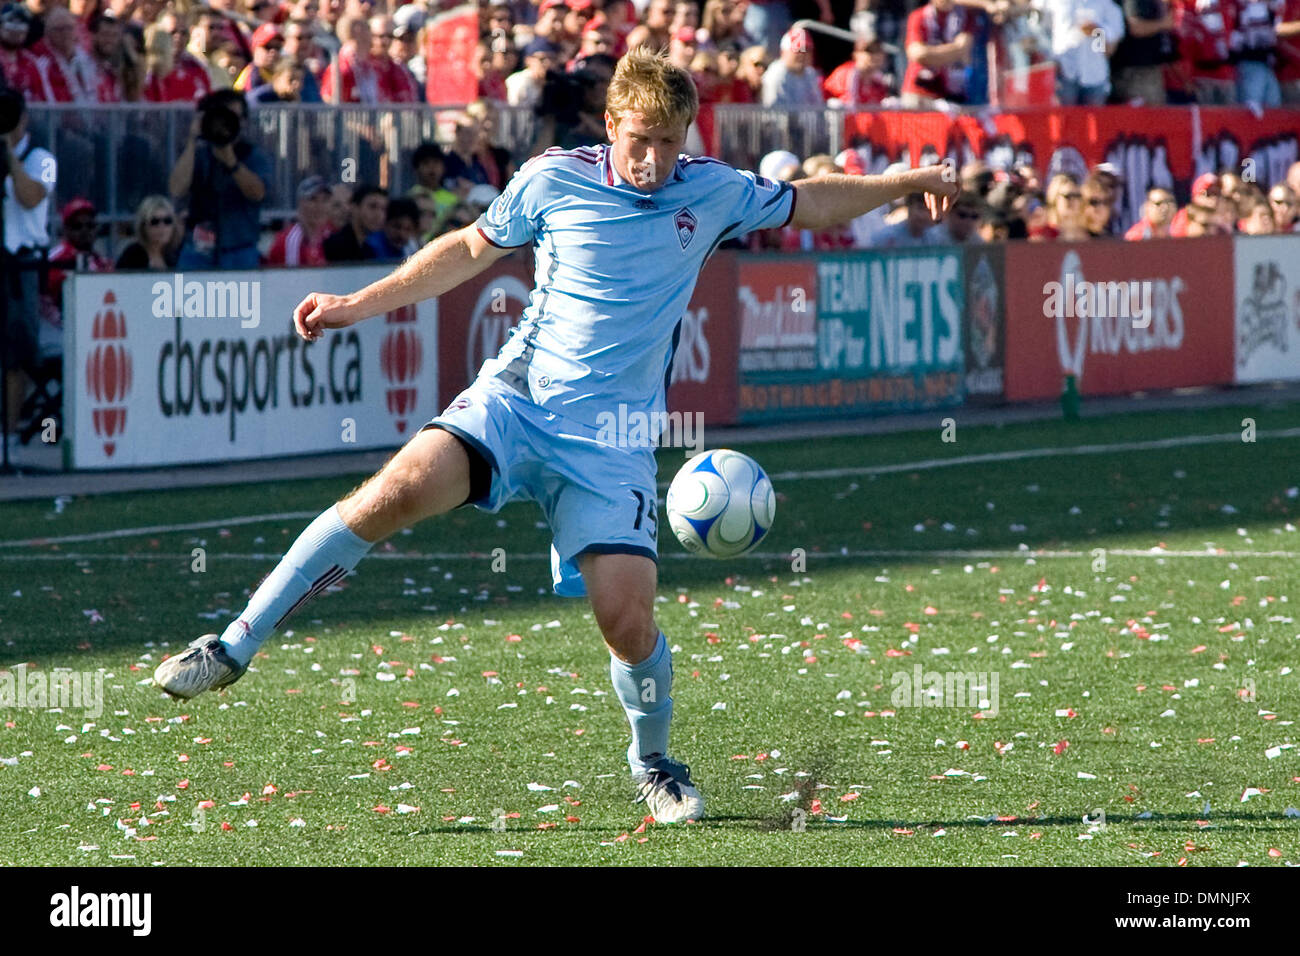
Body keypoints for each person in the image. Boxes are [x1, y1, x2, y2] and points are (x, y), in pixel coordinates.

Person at [152, 47, 959, 825]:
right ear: (611, 123)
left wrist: (906, 180)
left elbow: (810, 199)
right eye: (639, 140)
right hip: (516, 404)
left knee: (627, 624)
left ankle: (654, 763)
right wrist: (354, 305)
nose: (651, 159)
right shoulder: (552, 179)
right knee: (392, 493)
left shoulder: (712, 192)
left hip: (611, 444)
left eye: (668, 144)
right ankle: (232, 645)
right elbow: (469, 249)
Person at [0, 88, 55, 437]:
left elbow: (30, 196)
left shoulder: (43, 158)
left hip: (21, 264)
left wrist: (9, 155)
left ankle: (8, 437)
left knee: (15, 357)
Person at [168, 89, 271, 269]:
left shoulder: (252, 155)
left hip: (239, 249)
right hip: (199, 250)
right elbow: (176, 189)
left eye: (235, 117)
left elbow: (258, 193)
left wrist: (232, 163)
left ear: (244, 122)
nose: (227, 123)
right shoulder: (200, 153)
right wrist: (192, 140)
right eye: (223, 116)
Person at [267, 176, 331, 266]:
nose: (320, 206)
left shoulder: (334, 236)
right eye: (313, 199)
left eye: (325, 200)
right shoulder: (285, 242)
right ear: (300, 203)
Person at [760, 25, 824, 106]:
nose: (802, 55)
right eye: (797, 50)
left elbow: (818, 107)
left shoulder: (810, 73)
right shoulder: (776, 73)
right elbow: (775, 112)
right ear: (784, 52)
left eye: (806, 50)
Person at [322, 183, 385, 261]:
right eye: (372, 207)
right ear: (354, 207)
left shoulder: (370, 249)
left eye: (383, 209)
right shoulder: (334, 245)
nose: (379, 215)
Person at [365, 195, 419, 261]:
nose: (401, 234)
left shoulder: (409, 249)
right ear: (385, 223)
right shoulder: (371, 247)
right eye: (397, 227)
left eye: (408, 229)